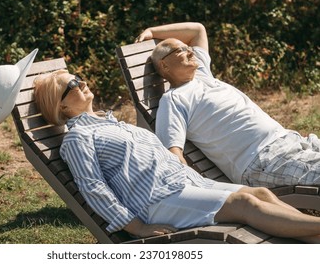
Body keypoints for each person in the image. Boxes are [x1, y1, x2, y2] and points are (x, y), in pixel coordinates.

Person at [32, 69, 320, 243]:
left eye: (79, 78)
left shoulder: (110, 123)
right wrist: (137, 227)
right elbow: (93, 187)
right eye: (72, 85)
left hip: (186, 185)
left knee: (261, 194)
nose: (81, 83)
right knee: (244, 202)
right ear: (62, 108)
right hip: (156, 202)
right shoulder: (78, 138)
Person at [135, 22, 320, 188]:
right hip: (263, 161)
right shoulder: (174, 100)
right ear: (164, 66)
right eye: (181, 50)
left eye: (187, 47)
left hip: (291, 141)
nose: (190, 50)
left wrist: (151, 30)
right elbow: (173, 153)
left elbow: (197, 30)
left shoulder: (202, 74)